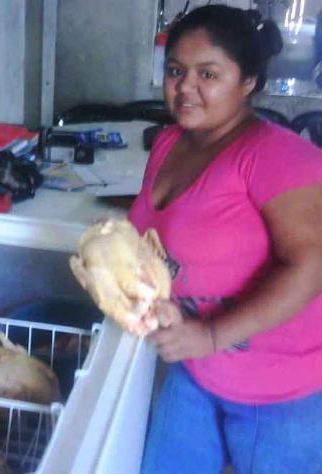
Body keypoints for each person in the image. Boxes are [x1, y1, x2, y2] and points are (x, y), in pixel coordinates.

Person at [128, 5, 322, 474]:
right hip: (195, 369)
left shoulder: (277, 157)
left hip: (279, 391)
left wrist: (211, 335)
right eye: (176, 71)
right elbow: (159, 240)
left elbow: (313, 265)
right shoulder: (170, 143)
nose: (185, 87)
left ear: (248, 81)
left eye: (208, 74)